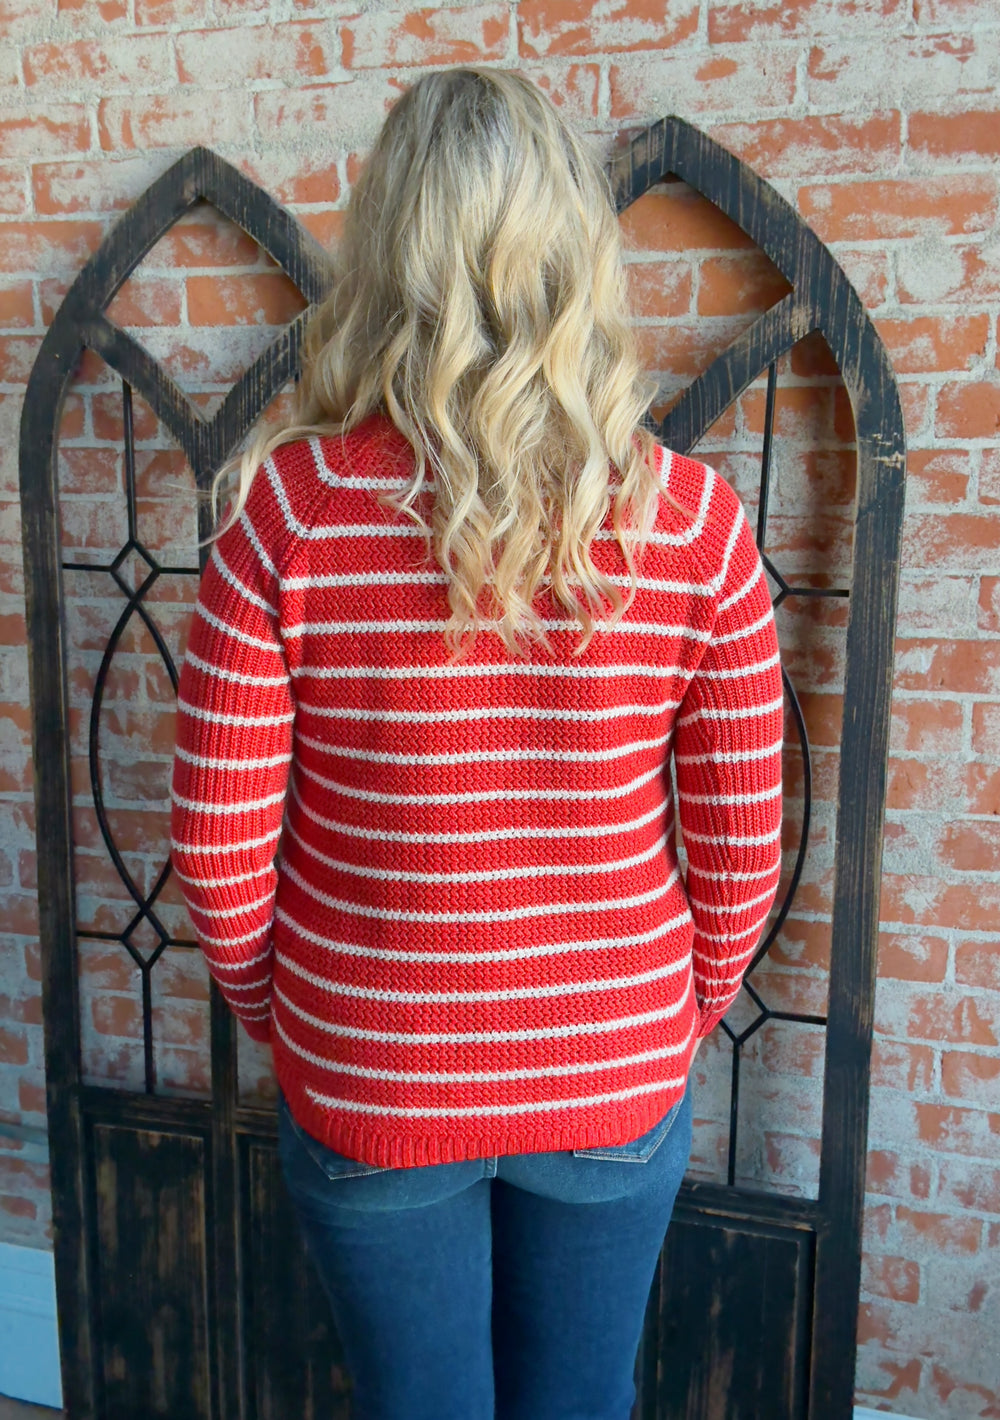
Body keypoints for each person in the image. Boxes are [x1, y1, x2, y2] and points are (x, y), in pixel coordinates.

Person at [169, 66, 783, 1420]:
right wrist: (655, 1023)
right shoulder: (693, 527)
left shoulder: (286, 515)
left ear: (386, 250)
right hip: (612, 1059)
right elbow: (744, 858)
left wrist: (312, 1023)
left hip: (370, 1067)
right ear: (574, 248)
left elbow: (216, 856)